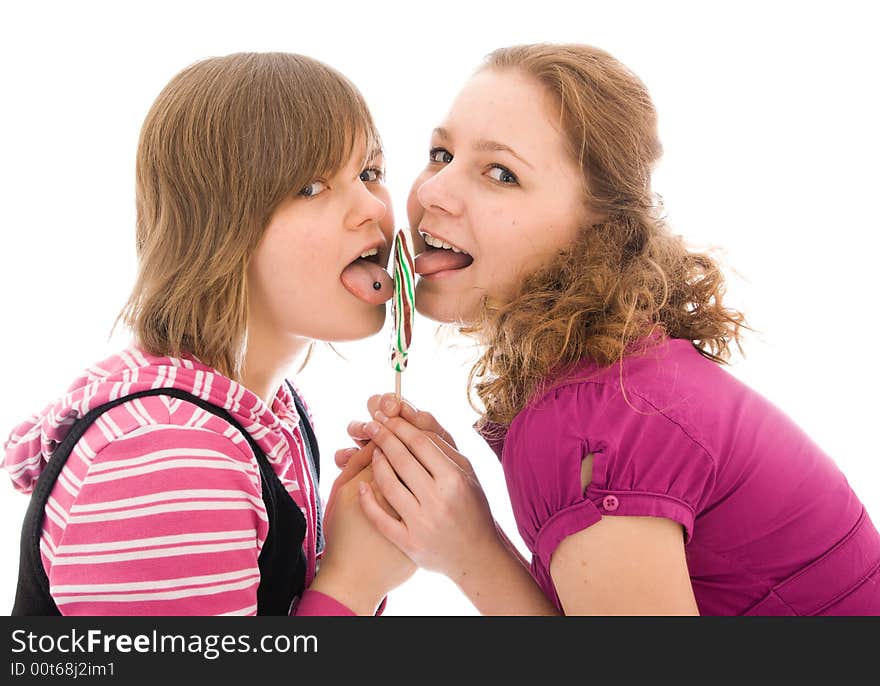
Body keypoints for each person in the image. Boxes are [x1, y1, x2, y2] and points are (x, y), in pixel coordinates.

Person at [338, 43, 880, 615]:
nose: (430, 192)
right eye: (441, 153)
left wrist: (470, 550)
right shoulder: (622, 374)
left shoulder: (590, 416)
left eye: (501, 173)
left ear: (597, 230)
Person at [1, 52, 413, 616]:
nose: (373, 208)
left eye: (369, 173)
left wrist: (347, 553)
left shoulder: (269, 412)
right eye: (312, 188)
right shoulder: (169, 456)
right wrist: (352, 583)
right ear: (218, 231)